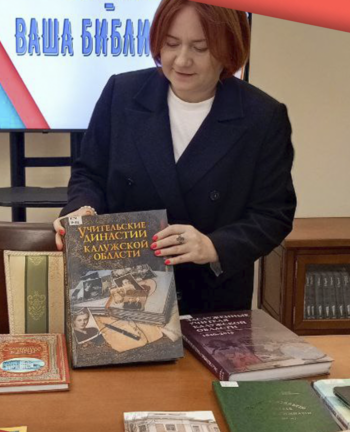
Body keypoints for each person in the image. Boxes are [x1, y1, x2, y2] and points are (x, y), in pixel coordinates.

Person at [54, 0, 296, 314]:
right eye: (171, 44)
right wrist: (82, 210)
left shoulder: (262, 116)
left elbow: (273, 214)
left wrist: (213, 245)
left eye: (200, 47)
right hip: (123, 292)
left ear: (229, 48)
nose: (182, 60)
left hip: (212, 297)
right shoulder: (122, 93)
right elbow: (89, 173)